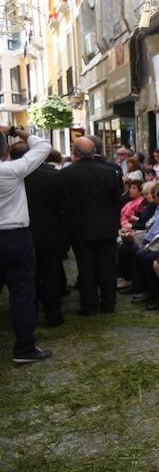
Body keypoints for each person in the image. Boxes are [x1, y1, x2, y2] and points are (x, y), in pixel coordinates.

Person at [0, 125, 53, 363]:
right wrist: (13, 130)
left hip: (14, 237)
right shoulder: (12, 169)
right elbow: (44, 146)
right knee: (22, 293)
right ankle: (23, 347)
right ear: (6, 151)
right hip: (14, 237)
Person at [60, 136, 123, 316]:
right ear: (94, 151)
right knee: (107, 266)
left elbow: (64, 202)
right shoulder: (110, 172)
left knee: (86, 267)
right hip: (106, 227)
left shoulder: (66, 174)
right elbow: (117, 199)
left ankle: (89, 304)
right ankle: (108, 303)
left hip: (80, 228)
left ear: (75, 153)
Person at [11, 142, 66, 327]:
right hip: (51, 232)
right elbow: (64, 207)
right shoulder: (55, 176)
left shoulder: (13, 177)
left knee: (25, 279)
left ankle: (29, 316)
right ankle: (53, 315)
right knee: (51, 275)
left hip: (22, 233)